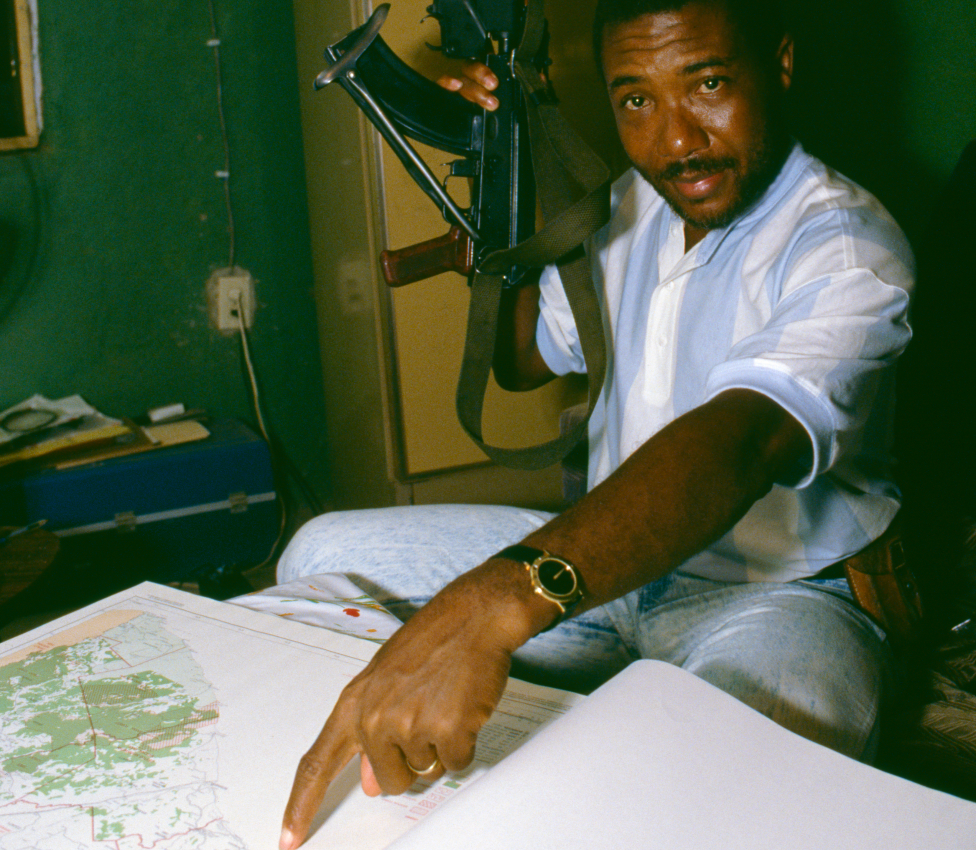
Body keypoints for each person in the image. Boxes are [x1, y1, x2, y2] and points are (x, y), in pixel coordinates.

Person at [276, 1, 914, 847]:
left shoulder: (844, 245)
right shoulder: (628, 207)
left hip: (778, 594)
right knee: (319, 555)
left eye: (709, 84)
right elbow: (524, 356)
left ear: (781, 63)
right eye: (635, 100)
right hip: (610, 578)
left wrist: (500, 601)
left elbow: (739, 440)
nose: (676, 141)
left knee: (731, 788)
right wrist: (496, 175)